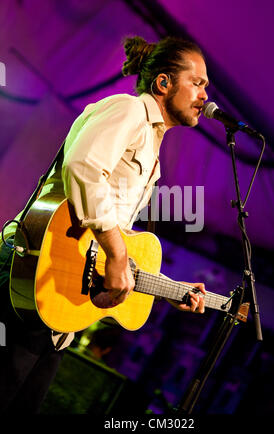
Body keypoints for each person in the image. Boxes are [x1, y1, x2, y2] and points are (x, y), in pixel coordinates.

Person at [0, 35, 209, 413]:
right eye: (198, 82)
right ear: (164, 83)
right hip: (28, 271)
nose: (205, 95)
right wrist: (116, 253)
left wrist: (168, 288)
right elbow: (83, 169)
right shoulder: (127, 110)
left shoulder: (154, 151)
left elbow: (112, 235)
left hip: (59, 302)